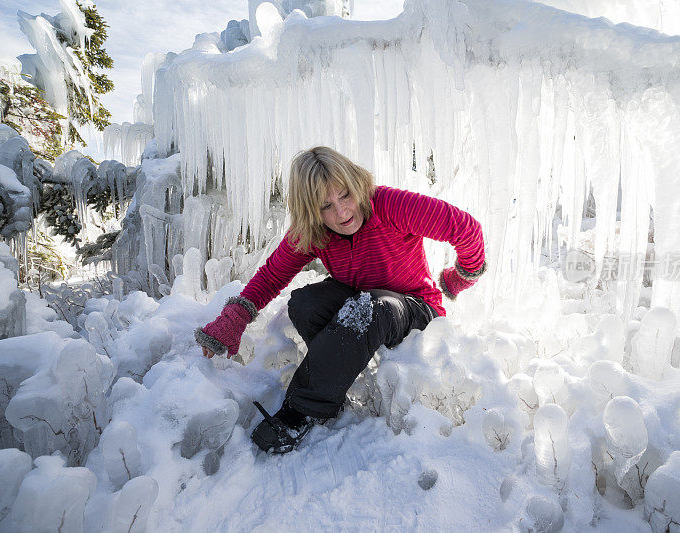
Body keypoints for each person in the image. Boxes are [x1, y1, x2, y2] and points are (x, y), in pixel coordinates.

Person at [195, 146, 486, 454]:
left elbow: (468, 230)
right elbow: (271, 276)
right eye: (326, 206)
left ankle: (302, 410)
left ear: (357, 185)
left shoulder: (390, 205)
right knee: (304, 304)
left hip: (413, 308)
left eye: (345, 195)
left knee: (369, 309)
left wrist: (459, 278)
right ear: (312, 211)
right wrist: (234, 319)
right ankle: (336, 375)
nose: (342, 212)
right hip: (363, 302)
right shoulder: (314, 231)